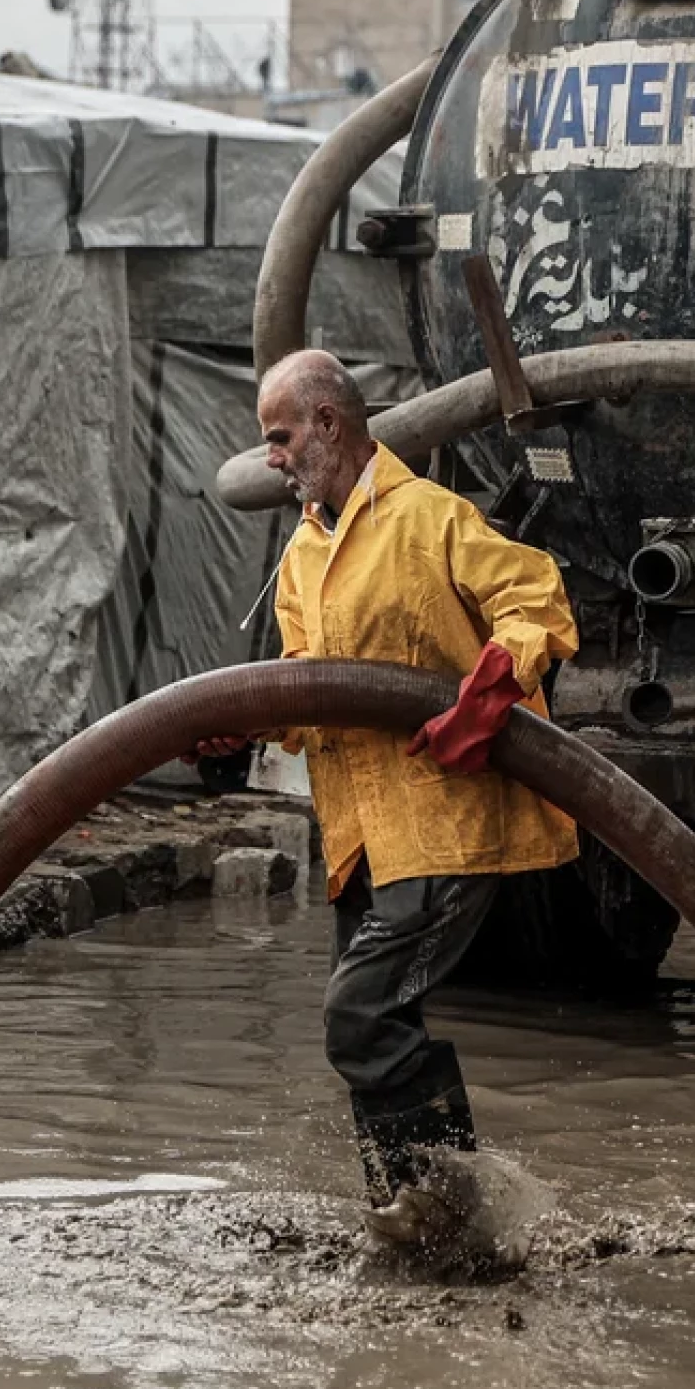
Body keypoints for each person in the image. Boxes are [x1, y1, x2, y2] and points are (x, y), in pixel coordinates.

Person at [217, 349, 579, 1243]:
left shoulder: (429, 517)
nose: (272, 457)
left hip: (444, 824)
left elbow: (537, 598)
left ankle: (449, 1205)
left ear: (329, 423)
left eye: (280, 436)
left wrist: (487, 695)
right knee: (375, 1026)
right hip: (361, 839)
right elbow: (309, 686)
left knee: (359, 1016)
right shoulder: (304, 552)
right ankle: (423, 1221)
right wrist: (243, 723)